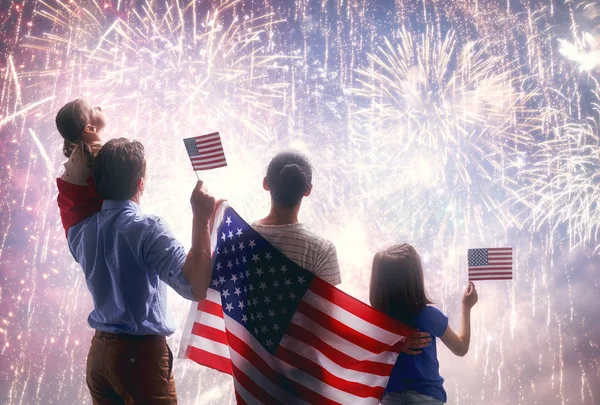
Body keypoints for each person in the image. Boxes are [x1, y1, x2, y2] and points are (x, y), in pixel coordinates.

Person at [66, 138, 216, 404]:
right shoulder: (148, 229)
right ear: (141, 184)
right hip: (141, 359)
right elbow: (194, 286)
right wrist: (201, 219)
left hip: (99, 356)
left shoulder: (79, 231)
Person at [253, 150, 431, 354]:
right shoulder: (320, 249)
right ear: (308, 190)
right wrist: (391, 343)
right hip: (301, 372)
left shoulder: (240, 238)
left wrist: (207, 224)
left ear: (266, 183)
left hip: (250, 370)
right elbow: (328, 323)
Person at [370, 244, 479, 404]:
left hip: (391, 399)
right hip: (428, 399)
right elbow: (461, 348)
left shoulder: (374, 322)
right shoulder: (429, 316)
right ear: (416, 278)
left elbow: (361, 351)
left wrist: (395, 344)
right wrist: (466, 307)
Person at [55, 99, 107, 234]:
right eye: (93, 110)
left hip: (73, 230)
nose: (99, 106)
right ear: (90, 128)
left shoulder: (80, 153)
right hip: (88, 229)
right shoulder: (100, 154)